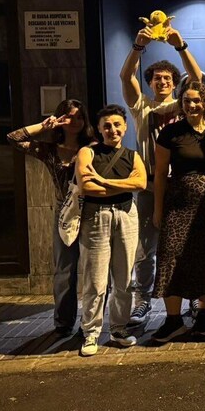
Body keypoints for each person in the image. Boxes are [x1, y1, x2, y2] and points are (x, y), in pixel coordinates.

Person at [119, 25, 202, 326]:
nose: (163, 81)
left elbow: (197, 79)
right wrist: (137, 46)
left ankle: (193, 295)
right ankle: (143, 300)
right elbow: (125, 77)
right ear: (150, 82)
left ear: (174, 82)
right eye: (157, 78)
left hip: (181, 184)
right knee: (146, 248)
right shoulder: (141, 106)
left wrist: (181, 46)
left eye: (167, 78)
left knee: (187, 244)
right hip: (149, 185)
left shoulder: (183, 104)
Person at [151, 81, 205, 342]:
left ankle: (203, 316)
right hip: (178, 204)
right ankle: (173, 320)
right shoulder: (170, 133)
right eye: (187, 100)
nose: (192, 105)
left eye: (197, 100)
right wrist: (158, 209)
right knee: (170, 258)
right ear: (181, 103)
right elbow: (159, 175)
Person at [7, 100, 96, 337]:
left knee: (94, 268)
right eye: (69, 117)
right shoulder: (49, 149)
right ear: (59, 119)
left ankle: (91, 322)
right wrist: (44, 126)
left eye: (79, 117)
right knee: (64, 270)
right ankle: (63, 323)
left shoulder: (93, 147)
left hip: (92, 211)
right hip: (64, 212)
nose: (74, 121)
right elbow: (13, 138)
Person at [75, 105, 147, 356]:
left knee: (124, 279)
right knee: (95, 280)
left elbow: (141, 182)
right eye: (107, 125)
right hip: (96, 216)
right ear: (98, 128)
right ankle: (91, 333)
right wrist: (123, 185)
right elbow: (86, 187)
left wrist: (103, 181)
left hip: (127, 215)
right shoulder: (87, 152)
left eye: (117, 125)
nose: (112, 129)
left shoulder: (132, 155)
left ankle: (118, 328)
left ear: (125, 127)